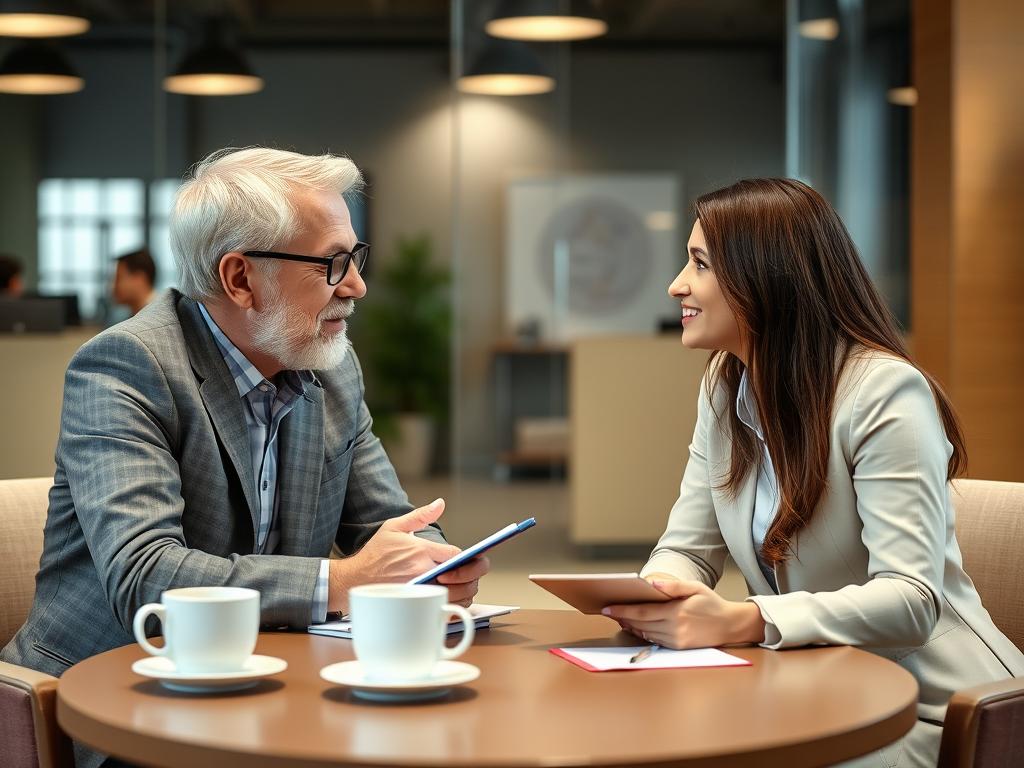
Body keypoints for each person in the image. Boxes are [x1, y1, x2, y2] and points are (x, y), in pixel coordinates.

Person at [0, 147, 489, 768]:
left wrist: (435, 564)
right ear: (239, 279)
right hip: (114, 708)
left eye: (356, 257)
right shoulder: (127, 368)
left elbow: (389, 526)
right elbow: (147, 576)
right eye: (335, 263)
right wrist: (345, 580)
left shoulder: (330, 368)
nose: (358, 285)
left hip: (270, 692)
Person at [603, 179, 1024, 767]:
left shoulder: (884, 392)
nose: (677, 284)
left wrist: (744, 620)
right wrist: (659, 595)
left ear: (764, 279)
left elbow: (911, 601)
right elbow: (688, 549)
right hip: (816, 694)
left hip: (932, 710)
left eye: (699, 263)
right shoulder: (726, 389)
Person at [111, 247, 158, 314]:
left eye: (118, 278)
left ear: (139, 279)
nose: (113, 286)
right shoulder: (138, 314)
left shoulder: (158, 316)